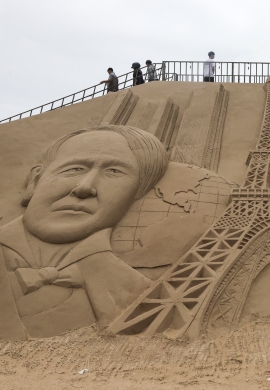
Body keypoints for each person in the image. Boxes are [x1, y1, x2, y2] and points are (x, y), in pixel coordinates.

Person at [0, 125, 168, 340]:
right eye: (75, 169)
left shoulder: (137, 293)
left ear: (137, 194)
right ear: (34, 181)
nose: (84, 188)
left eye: (114, 172)